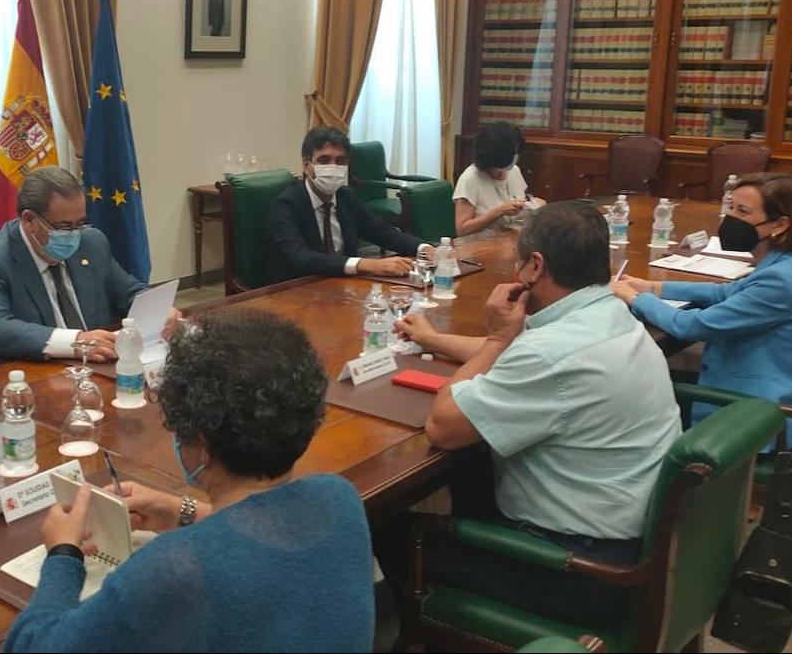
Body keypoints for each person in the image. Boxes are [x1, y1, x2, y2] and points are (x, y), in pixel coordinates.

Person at [4, 309, 376, 652]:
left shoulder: (172, 569)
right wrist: (179, 510)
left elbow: (35, 646)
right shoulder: (339, 498)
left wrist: (63, 554)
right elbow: (257, 535)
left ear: (200, 443)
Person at [385, 201, 681, 628]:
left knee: (384, 527)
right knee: (470, 471)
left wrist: (494, 340)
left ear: (535, 267)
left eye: (518, 262)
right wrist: (438, 339)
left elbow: (443, 426)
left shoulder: (551, 353)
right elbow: (521, 351)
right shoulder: (612, 315)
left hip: (574, 569)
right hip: (628, 538)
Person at [613, 172, 792, 447]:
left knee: (630, 392)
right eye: (732, 208)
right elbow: (723, 292)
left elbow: (691, 326)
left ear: (780, 224)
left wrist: (634, 298)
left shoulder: (782, 280)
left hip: (756, 412)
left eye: (743, 211)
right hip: (775, 384)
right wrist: (653, 287)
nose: (731, 218)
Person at [0, 167, 177, 363]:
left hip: (92, 367)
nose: (74, 234)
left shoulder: (91, 242)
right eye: (63, 226)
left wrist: (161, 311)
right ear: (29, 220)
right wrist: (76, 341)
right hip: (20, 375)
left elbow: (129, 292)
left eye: (80, 223)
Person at [266, 126, 432, 283]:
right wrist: (364, 264)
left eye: (340, 161)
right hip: (298, 290)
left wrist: (424, 249)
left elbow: (383, 232)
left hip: (344, 286)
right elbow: (301, 258)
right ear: (306, 165)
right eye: (324, 160)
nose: (333, 167)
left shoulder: (346, 196)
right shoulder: (285, 205)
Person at [453, 121, 542, 236]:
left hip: (511, 240)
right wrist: (499, 211)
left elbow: (521, 207)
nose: (516, 157)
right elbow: (462, 229)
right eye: (513, 153)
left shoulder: (514, 171)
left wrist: (534, 206)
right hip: (481, 244)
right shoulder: (470, 178)